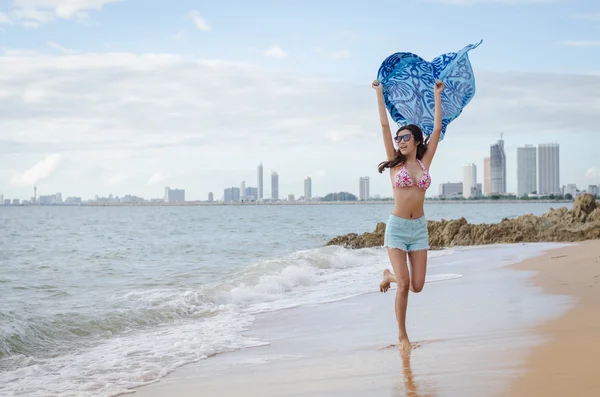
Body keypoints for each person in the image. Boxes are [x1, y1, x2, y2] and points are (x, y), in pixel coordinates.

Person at [372, 78, 445, 351]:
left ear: (415, 141)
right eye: (398, 138)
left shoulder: (424, 162)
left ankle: (388, 276)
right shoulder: (395, 163)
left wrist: (437, 95)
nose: (400, 141)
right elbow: (383, 125)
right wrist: (379, 94)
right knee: (404, 287)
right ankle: (402, 335)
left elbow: (437, 128)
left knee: (417, 286)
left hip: (419, 230)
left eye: (405, 137)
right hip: (397, 228)